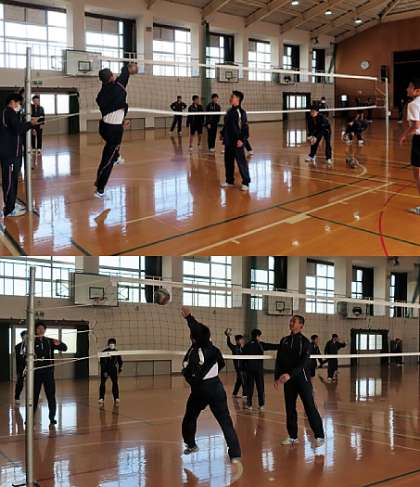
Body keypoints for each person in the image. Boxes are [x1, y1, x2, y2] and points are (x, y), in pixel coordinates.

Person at [180, 306, 241, 463]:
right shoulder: (214, 349)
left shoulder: (194, 352)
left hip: (200, 391)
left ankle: (191, 445)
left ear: (194, 338)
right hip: (216, 387)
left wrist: (189, 317)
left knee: (190, 417)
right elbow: (221, 363)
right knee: (225, 421)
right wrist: (189, 318)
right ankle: (235, 454)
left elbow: (190, 375)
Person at [274, 315, 324, 446]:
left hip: (302, 379)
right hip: (288, 380)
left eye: (294, 321)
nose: (291, 323)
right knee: (290, 408)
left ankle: (319, 436)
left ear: (301, 325)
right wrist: (277, 377)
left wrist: (290, 374)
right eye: (290, 321)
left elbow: (304, 363)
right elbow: (279, 360)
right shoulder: (284, 340)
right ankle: (293, 436)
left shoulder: (305, 342)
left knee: (309, 406)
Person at [95, 62, 137, 198]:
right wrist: (130, 66)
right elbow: (126, 72)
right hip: (113, 131)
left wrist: (121, 121)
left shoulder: (101, 95)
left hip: (104, 127)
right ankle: (100, 189)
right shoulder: (118, 87)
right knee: (107, 161)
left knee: (113, 148)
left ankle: (116, 156)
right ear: (112, 76)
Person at [0, 93, 38, 217]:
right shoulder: (8, 113)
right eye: (19, 103)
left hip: (14, 153)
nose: (20, 105)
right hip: (9, 154)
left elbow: (17, 129)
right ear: (12, 102)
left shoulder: (12, 113)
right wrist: (30, 124)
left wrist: (29, 126)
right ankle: (8, 209)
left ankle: (11, 204)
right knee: (9, 182)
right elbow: (18, 129)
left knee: (13, 180)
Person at [33, 322, 67, 425]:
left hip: (48, 373)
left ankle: (52, 418)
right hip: (36, 373)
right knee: (34, 396)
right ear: (35, 330)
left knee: (51, 396)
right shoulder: (32, 341)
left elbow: (65, 348)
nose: (40, 330)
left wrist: (59, 344)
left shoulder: (49, 341)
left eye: (42, 328)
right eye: (38, 328)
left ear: (45, 330)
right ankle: (30, 418)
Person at [220, 90, 251, 191]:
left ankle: (246, 182)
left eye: (232, 97)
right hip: (228, 142)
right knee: (228, 162)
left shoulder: (241, 112)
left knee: (241, 162)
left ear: (238, 99)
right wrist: (222, 134)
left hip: (237, 142)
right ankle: (229, 181)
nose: (230, 98)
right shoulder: (229, 111)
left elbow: (245, 128)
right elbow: (226, 125)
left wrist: (242, 140)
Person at [242, 329, 278, 411]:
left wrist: (244, 368)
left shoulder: (247, 345)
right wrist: (282, 345)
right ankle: (261, 405)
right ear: (257, 336)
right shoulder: (260, 344)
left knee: (250, 387)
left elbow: (243, 358)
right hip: (259, 370)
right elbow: (272, 346)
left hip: (249, 370)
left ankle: (249, 405)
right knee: (260, 387)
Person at [399, 78, 420, 216]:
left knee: (418, 174)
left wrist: (404, 135)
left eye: (410, 87)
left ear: (417, 90)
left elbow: (416, 125)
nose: (407, 89)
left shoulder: (413, 104)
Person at [99, 338, 123, 404]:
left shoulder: (117, 352)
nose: (111, 344)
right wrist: (104, 371)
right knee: (102, 383)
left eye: (113, 343)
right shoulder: (104, 352)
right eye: (110, 343)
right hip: (105, 369)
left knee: (115, 383)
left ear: (115, 344)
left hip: (113, 370)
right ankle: (101, 398)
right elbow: (102, 362)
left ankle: (116, 398)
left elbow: (120, 361)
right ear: (108, 344)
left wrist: (120, 368)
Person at [224, 328, 246, 398]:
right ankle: (245, 394)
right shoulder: (234, 348)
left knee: (239, 380)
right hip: (239, 367)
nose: (242, 341)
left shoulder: (244, 347)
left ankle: (234, 394)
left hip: (244, 367)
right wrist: (228, 336)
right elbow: (229, 343)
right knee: (243, 380)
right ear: (237, 341)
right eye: (241, 340)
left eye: (242, 339)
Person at [15, 330, 27, 404]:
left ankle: (36, 395)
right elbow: (19, 359)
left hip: (32, 367)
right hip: (21, 368)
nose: (26, 338)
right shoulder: (18, 346)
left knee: (35, 382)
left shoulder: (34, 345)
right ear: (22, 337)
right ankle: (17, 397)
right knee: (20, 383)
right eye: (24, 336)